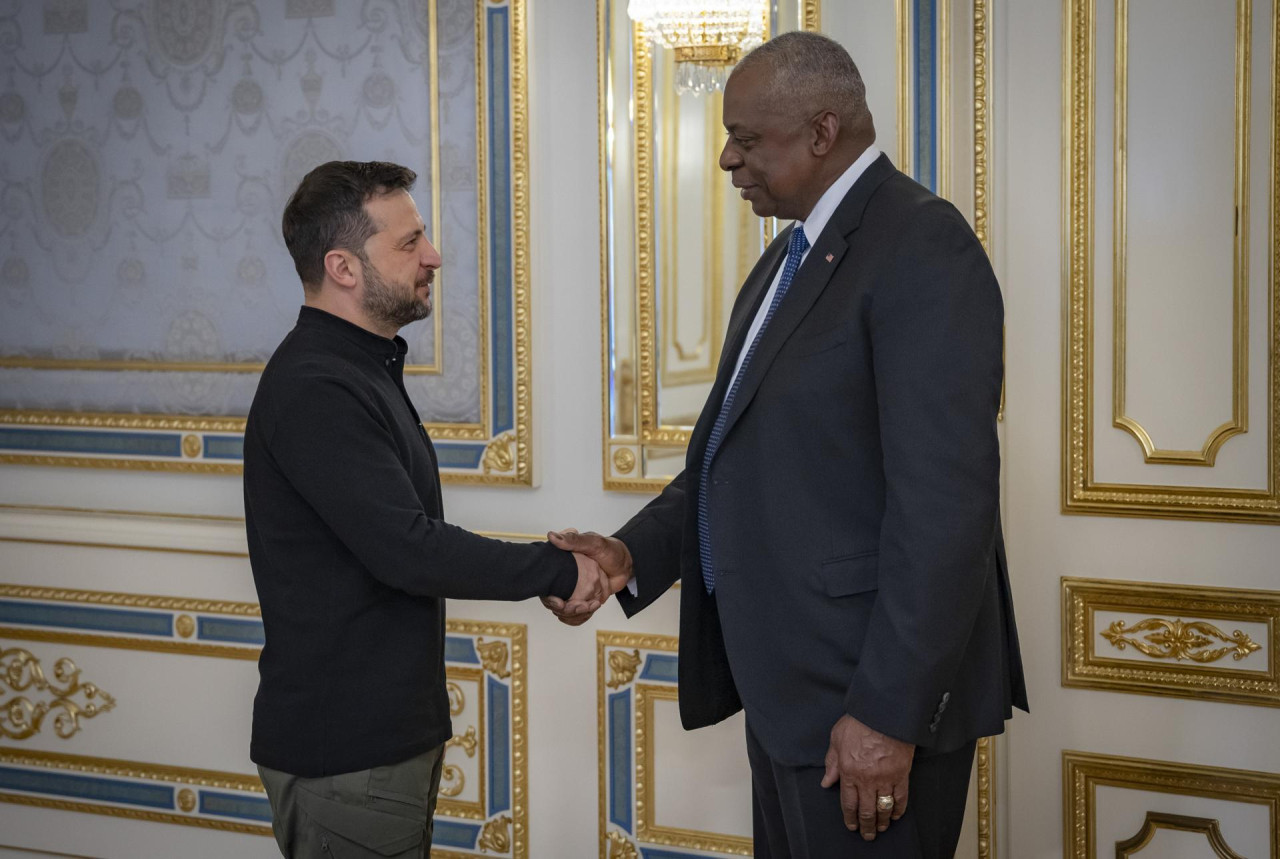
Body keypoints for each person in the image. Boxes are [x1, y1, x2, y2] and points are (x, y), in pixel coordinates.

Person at [547, 32, 1027, 858]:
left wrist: (886, 713)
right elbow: (729, 456)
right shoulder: (785, 261)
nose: (729, 158)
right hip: (791, 700)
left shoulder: (921, 245)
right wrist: (630, 553)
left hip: (866, 711)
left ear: (821, 131)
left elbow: (946, 507)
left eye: (747, 138)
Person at [244, 160, 614, 858]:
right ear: (344, 267)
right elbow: (406, 548)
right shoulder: (317, 385)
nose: (433, 255)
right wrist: (557, 570)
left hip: (376, 743)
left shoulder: (360, 366)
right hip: (345, 751)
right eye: (410, 242)